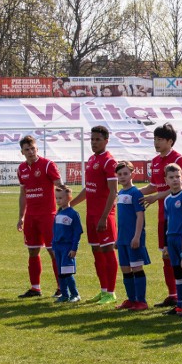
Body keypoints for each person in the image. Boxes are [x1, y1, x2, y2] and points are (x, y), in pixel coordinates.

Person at [140, 124, 182, 308]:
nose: (156, 142)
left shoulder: (178, 159)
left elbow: (178, 187)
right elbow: (153, 186)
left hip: (179, 217)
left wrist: (155, 197)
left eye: (160, 139)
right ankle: (173, 294)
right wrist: (131, 193)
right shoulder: (155, 160)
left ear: (170, 141)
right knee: (166, 256)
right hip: (164, 216)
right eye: (155, 139)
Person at [70, 126, 119, 305]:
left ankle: (111, 292)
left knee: (107, 251)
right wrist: (70, 204)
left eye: (98, 139)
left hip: (104, 215)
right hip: (91, 215)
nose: (94, 142)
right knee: (96, 253)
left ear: (106, 140)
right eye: (92, 139)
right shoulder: (91, 160)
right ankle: (103, 290)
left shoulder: (109, 162)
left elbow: (114, 192)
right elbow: (88, 189)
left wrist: (104, 217)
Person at [16, 135, 62, 298]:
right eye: (26, 149)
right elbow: (23, 194)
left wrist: (64, 206)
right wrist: (21, 216)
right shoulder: (21, 169)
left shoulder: (48, 164)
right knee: (33, 251)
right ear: (22, 152)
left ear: (37, 149)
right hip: (31, 217)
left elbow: (59, 186)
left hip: (48, 215)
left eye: (32, 148)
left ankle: (61, 287)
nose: (30, 152)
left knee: (53, 251)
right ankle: (35, 288)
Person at [115, 161, 150, 311]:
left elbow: (140, 216)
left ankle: (141, 301)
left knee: (136, 268)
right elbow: (121, 219)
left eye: (125, 174)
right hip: (122, 239)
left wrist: (136, 237)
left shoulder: (135, 193)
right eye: (119, 174)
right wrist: (118, 238)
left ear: (132, 175)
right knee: (125, 269)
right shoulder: (121, 193)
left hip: (134, 239)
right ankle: (131, 299)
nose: (122, 177)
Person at [162, 164, 182, 316]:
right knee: (177, 272)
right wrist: (165, 244)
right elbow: (167, 221)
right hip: (171, 239)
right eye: (171, 177)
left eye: (178, 177)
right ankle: (180, 304)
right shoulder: (167, 199)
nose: (175, 180)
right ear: (166, 180)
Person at [52, 185, 83, 303]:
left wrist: (74, 248)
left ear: (69, 197)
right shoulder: (58, 214)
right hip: (58, 248)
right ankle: (64, 295)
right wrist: (54, 246)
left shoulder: (73, 214)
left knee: (67, 273)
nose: (58, 201)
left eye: (61, 198)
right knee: (60, 273)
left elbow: (77, 233)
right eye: (57, 198)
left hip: (67, 248)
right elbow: (54, 231)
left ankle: (75, 294)